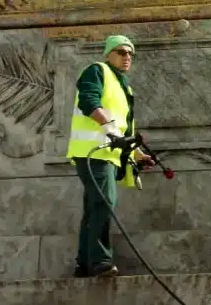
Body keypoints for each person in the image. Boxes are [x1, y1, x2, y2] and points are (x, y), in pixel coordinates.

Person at [65, 34, 152, 277]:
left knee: (95, 206)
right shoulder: (96, 71)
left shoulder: (125, 86)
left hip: (109, 154)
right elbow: (89, 100)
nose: (127, 58)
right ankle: (101, 262)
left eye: (130, 54)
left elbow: (126, 129)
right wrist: (110, 129)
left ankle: (84, 264)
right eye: (121, 52)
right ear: (108, 54)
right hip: (94, 152)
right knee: (104, 204)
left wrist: (139, 154)